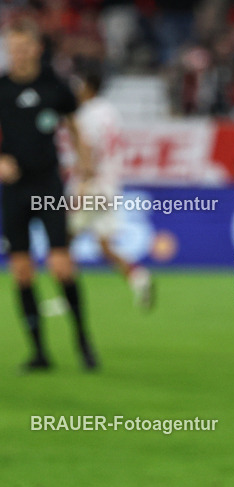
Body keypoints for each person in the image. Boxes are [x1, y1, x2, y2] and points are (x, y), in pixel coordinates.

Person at [0, 17, 98, 370]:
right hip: (14, 189)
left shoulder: (53, 86)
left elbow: (74, 127)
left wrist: (85, 169)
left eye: (24, 48)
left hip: (47, 185)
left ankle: (83, 342)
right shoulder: (2, 88)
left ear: (37, 49)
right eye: (13, 49)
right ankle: (39, 352)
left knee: (60, 266)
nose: (18, 54)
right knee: (22, 271)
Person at [69, 68, 154, 309]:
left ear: (88, 86)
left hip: (92, 184)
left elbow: (88, 149)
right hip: (110, 184)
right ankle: (139, 277)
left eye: (79, 84)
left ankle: (67, 295)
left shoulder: (85, 114)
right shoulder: (110, 111)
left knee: (63, 240)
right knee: (105, 244)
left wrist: (82, 185)